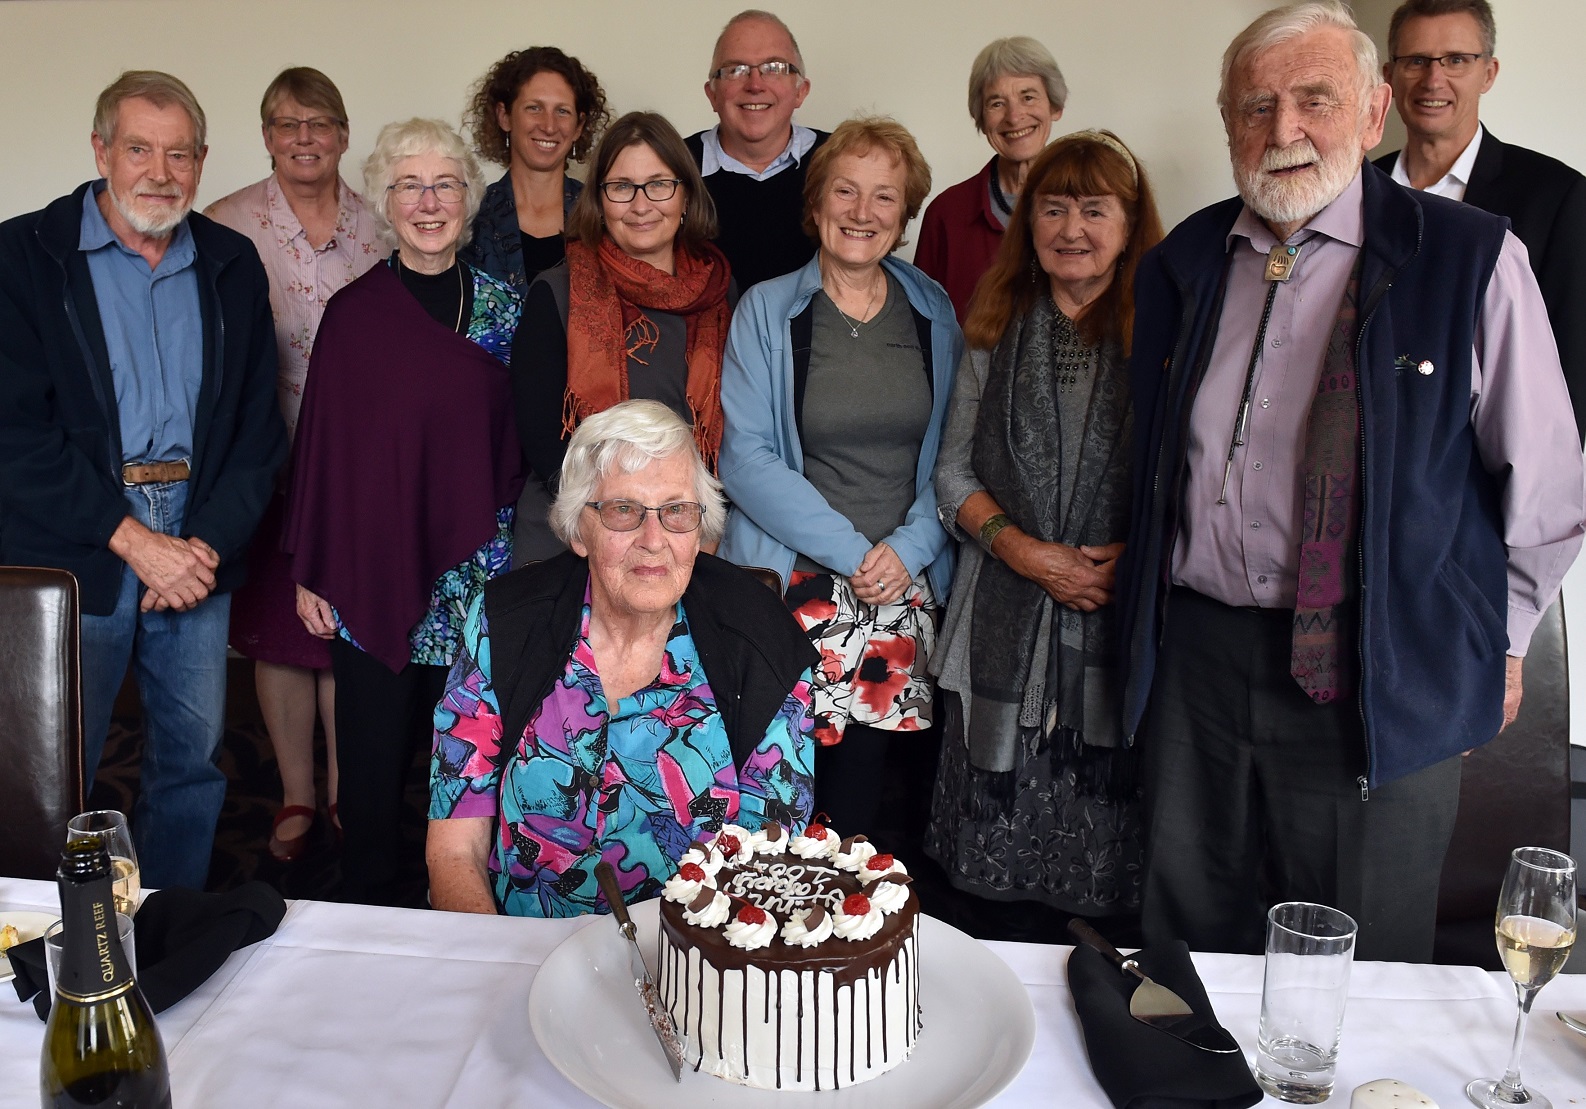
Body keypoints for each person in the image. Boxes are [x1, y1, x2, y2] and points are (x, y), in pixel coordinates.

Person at [1117, 1, 1584, 962]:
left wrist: (1503, 641)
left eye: (1315, 100)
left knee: (1360, 957)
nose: (1283, 130)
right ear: (1228, 124)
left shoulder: (1470, 257)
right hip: (1198, 657)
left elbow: (1546, 486)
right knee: (1186, 938)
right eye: (1256, 106)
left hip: (1375, 662)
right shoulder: (1186, 262)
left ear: (1374, 114)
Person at [0, 71, 285, 890]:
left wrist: (198, 546)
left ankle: (170, 928)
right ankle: (46, 946)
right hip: (75, 540)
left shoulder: (231, 262)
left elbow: (257, 434)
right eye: (138, 149)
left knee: (192, 762)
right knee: (54, 766)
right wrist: (135, 541)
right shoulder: (22, 258)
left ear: (201, 162)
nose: (160, 172)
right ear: (99, 151)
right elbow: (13, 437)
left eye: (180, 153)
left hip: (197, 534)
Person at [427, 400, 817, 916]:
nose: (654, 541)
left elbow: (770, 867)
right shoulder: (506, 623)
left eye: (676, 511)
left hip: (690, 965)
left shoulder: (760, 637)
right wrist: (497, 971)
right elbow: (456, 851)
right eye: (624, 511)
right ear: (577, 530)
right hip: (523, 948)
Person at [925, 131, 1163, 940]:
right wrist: (1027, 553)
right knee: (981, 907)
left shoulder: (1165, 334)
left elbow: (1192, 477)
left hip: (1118, 623)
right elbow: (952, 473)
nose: (1072, 228)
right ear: (1028, 223)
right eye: (1054, 208)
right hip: (1000, 618)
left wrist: (1132, 557)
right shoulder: (991, 328)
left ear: (1132, 224)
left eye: (1096, 210)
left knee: (1098, 903)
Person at [284, 118, 523, 906]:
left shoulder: (506, 312)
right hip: (371, 567)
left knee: (466, 758)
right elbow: (322, 451)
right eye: (410, 186)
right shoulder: (354, 313)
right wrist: (313, 569)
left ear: (469, 198)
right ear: (386, 203)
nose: (429, 202)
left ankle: (460, 907)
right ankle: (369, 907)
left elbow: (523, 447)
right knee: (376, 755)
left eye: (445, 184)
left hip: (477, 574)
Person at [718, 116, 961, 838]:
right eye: (845, 192)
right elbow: (746, 456)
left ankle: (847, 949)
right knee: (776, 801)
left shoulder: (933, 309)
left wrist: (909, 549)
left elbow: (955, 449)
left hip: (900, 586)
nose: (863, 213)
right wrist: (854, 555)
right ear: (816, 203)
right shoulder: (767, 307)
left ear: (905, 212)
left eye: (884, 197)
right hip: (797, 585)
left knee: (861, 813)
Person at [205, 67, 383, 863]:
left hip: (356, 467)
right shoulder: (225, 225)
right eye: (286, 123)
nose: (303, 137)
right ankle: (296, 790)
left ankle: (349, 785)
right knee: (281, 633)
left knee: (345, 628)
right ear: (268, 136)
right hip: (266, 457)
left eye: (319, 122)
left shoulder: (381, 226)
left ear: (344, 134)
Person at [510, 111, 732, 563]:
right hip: (572, 535)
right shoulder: (558, 291)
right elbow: (542, 441)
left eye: (659, 184)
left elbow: (743, 436)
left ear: (686, 193)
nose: (641, 204)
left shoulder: (722, 294)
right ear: (600, 200)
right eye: (621, 187)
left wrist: (701, 524)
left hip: (687, 534)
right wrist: (611, 521)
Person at [1374, 0, 1586, 442]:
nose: (1434, 79)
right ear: (1389, 75)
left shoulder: (1557, 194)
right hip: (1363, 460)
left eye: (1456, 60)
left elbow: (1572, 368)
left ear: (1488, 73)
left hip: (1487, 475)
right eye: (1416, 61)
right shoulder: (1352, 190)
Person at [915, 37, 1068, 324]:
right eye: (997, 103)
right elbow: (922, 325)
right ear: (982, 119)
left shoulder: (1090, 204)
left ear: (1055, 107)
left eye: (1028, 96)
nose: (1014, 116)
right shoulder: (947, 213)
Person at [684, 9, 829, 291]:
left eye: (773, 68)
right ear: (712, 94)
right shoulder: (671, 166)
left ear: (801, 91)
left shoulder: (840, 161)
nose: (754, 85)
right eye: (735, 70)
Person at [460, 46, 609, 298]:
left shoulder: (602, 215)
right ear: (504, 116)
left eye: (562, 111)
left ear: (578, 127)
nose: (549, 126)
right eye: (534, 108)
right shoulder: (471, 217)